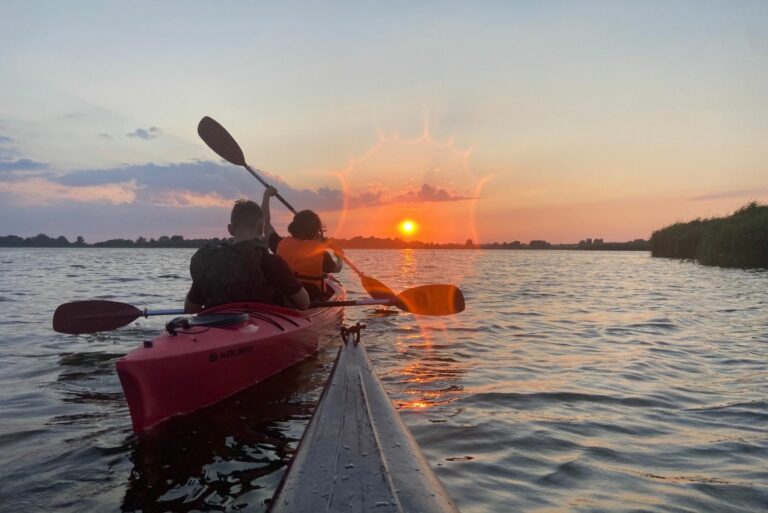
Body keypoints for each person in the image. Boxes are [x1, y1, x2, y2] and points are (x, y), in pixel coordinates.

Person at [184, 196, 310, 313]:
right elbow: (304, 303)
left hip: (218, 326)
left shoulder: (210, 264)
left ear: (230, 229)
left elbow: (190, 308)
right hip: (267, 326)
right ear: (261, 228)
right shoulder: (272, 262)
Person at [262, 187, 344, 300]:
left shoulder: (280, 244)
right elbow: (337, 269)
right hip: (312, 300)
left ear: (294, 227)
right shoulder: (320, 253)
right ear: (316, 232)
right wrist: (340, 256)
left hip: (284, 298)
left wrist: (266, 196)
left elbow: (265, 224)